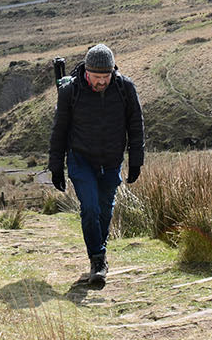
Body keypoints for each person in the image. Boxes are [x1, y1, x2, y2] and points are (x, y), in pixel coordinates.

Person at [48, 43, 144, 287]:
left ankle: (99, 253)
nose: (102, 82)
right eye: (97, 77)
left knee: (104, 210)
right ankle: (98, 260)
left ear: (113, 71)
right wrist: (56, 167)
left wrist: (136, 162)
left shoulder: (125, 88)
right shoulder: (71, 91)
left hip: (111, 161)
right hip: (81, 160)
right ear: (86, 72)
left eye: (106, 76)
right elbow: (59, 130)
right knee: (90, 208)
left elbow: (135, 126)